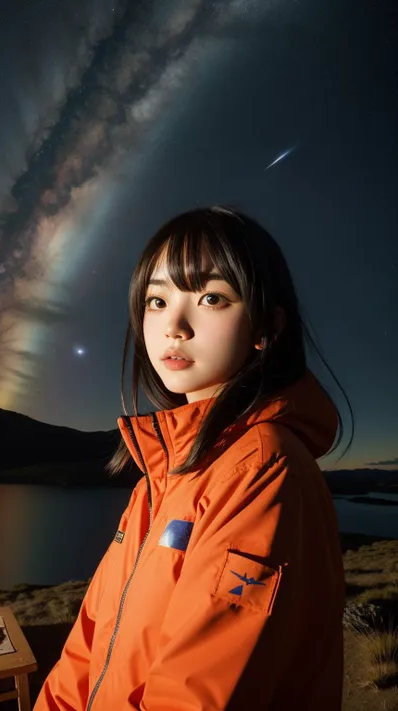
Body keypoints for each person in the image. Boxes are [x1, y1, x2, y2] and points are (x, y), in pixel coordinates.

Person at [33, 205, 353, 711]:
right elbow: (87, 645)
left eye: (211, 297)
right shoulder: (163, 476)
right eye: (156, 300)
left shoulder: (263, 469)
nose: (174, 326)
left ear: (265, 328)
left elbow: (198, 696)